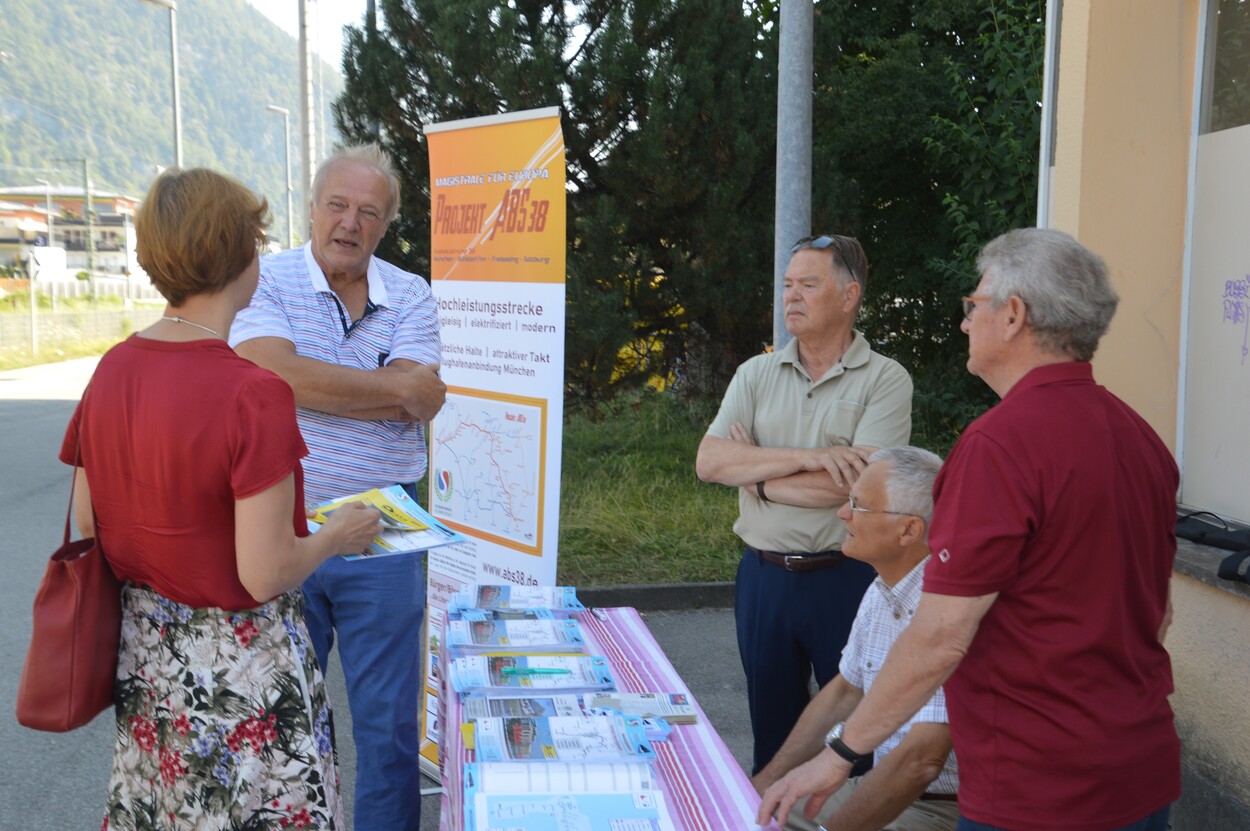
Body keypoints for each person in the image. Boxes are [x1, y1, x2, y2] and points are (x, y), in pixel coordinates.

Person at [757, 228, 1181, 831]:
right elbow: (1159, 614)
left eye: (973, 305)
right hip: (1139, 768)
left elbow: (940, 636)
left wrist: (841, 754)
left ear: (1013, 315)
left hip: (1037, 787)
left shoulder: (998, 445)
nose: (963, 323)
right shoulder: (1142, 439)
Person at [61, 168, 383, 829]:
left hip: (151, 666)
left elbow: (89, 522)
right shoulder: (252, 392)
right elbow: (265, 571)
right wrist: (336, 536)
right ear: (239, 254)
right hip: (242, 678)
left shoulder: (112, 368)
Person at [231, 143, 445, 831]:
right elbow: (270, 374)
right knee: (279, 727)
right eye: (338, 205)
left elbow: (419, 400)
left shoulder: (410, 293)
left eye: (369, 212)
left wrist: (310, 382)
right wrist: (388, 389)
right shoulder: (265, 279)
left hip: (383, 537)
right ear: (312, 207)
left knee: (388, 735)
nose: (350, 223)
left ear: (386, 225)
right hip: (280, 534)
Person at [696, 234, 913, 774]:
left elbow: (857, 488)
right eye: (788, 284)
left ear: (848, 296)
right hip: (763, 579)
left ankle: (848, 814)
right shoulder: (755, 373)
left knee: (855, 741)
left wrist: (759, 478)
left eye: (808, 285)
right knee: (773, 738)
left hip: (847, 579)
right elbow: (710, 462)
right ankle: (774, 812)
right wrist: (811, 458)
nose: (790, 296)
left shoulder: (886, 378)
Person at [755, 446, 958, 831]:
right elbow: (845, 692)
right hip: (886, 785)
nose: (842, 513)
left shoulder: (947, 608)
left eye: (858, 505)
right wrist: (763, 784)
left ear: (909, 530)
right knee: (754, 812)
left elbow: (922, 762)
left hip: (946, 807)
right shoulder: (883, 588)